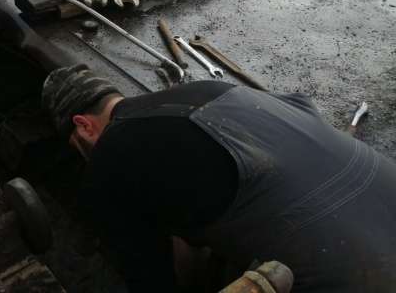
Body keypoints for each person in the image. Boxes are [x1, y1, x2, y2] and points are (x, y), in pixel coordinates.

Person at [42, 65, 396, 292]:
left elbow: (150, 278)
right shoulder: (212, 89)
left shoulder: (109, 157)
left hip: (362, 276)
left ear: (83, 126)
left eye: (76, 146)